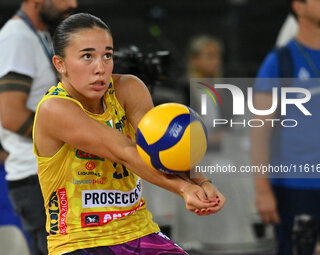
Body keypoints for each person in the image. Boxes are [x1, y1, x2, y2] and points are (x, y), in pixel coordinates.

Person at [32, 13, 225, 255]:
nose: (100, 68)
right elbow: (125, 152)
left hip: (139, 231)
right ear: (60, 64)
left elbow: (161, 147)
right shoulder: (54, 108)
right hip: (80, 241)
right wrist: (184, 189)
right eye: (87, 57)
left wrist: (202, 182)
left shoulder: (129, 88)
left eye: (107, 56)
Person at [252, 0, 320, 254]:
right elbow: (260, 132)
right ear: (299, 7)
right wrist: (262, 190)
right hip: (296, 187)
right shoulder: (280, 62)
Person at [0, 0, 77, 254]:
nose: (72, 4)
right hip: (37, 180)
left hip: (45, 176)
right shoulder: (17, 38)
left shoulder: (38, 35)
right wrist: (75, 136)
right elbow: (10, 115)